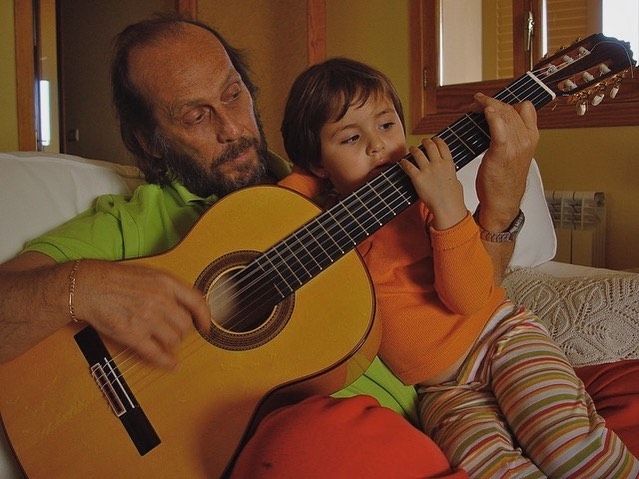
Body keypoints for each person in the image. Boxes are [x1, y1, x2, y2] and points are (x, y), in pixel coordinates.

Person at [0, 15, 550, 479]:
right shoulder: (131, 223)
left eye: (233, 94)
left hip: (448, 407)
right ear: (149, 140)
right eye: (195, 116)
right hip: (329, 451)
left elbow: (470, 294)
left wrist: (498, 210)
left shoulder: (344, 183)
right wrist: (79, 287)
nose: (232, 127)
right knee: (313, 437)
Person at [278, 57, 639, 478]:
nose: (376, 145)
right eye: (350, 137)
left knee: (569, 444)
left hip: (500, 340)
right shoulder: (317, 225)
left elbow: (469, 296)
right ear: (318, 164)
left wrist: (449, 207)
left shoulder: (427, 197)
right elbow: (275, 201)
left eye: (387, 125)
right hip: (442, 390)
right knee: (492, 470)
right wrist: (308, 182)